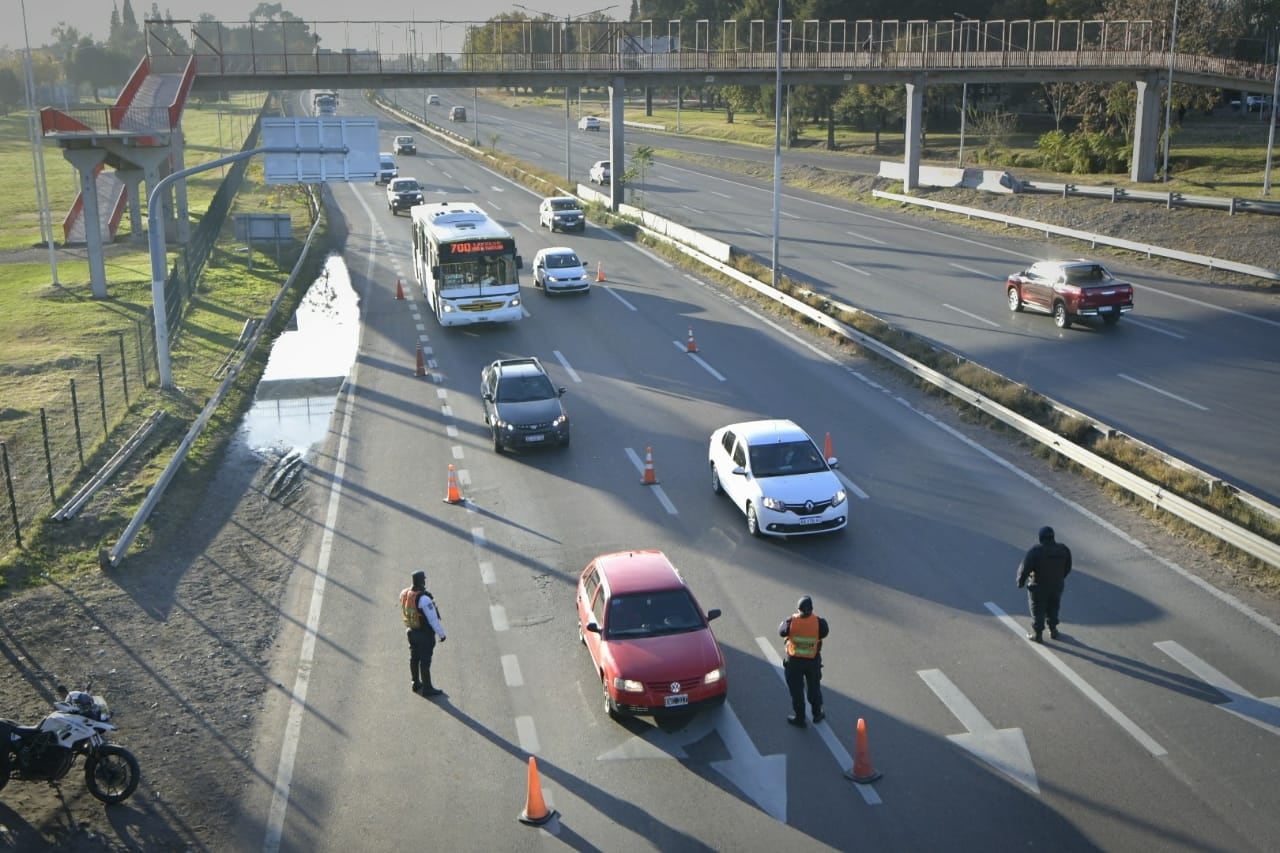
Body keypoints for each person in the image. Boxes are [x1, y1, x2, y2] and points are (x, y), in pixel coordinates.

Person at [778, 595, 829, 728]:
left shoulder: (791, 622)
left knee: (797, 691)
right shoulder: (819, 623)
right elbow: (824, 633)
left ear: (798, 609)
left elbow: (781, 632)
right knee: (814, 688)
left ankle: (800, 719)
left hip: (794, 663)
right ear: (812, 609)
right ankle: (817, 714)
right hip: (812, 662)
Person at [1016, 526, 1073, 643]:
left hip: (1038, 586)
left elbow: (1024, 569)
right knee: (1054, 607)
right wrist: (1059, 578)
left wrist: (1020, 582)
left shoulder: (1035, 552)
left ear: (1041, 538)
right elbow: (1068, 567)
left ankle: (1038, 634)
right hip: (1057, 585)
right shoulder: (1063, 549)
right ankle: (1053, 630)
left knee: (1037, 609)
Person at [399, 570, 447, 696]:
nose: (425, 582)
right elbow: (433, 619)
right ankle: (427, 688)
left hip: (410, 631)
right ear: (421, 581)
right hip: (424, 635)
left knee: (414, 658)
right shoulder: (424, 599)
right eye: (424, 580)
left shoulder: (404, 593)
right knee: (425, 661)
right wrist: (441, 635)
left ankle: (415, 683)